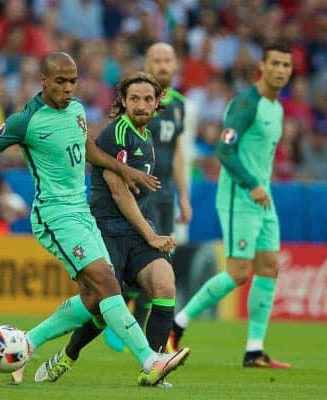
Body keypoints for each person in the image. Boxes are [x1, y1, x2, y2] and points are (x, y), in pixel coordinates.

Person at [0, 52, 189, 386]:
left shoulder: (77, 110)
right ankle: (150, 360)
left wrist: (124, 169)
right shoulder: (26, 121)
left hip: (82, 212)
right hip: (54, 216)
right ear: (43, 81)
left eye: (73, 81)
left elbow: (89, 150)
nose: (68, 88)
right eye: (60, 81)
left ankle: (27, 344)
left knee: (96, 301)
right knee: (108, 286)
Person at [34, 72, 179, 387]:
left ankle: (153, 366)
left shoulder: (148, 136)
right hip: (106, 229)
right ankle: (68, 356)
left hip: (135, 228)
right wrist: (151, 235)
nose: (141, 105)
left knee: (165, 286)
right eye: (135, 99)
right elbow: (118, 191)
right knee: (102, 304)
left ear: (157, 103)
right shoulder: (116, 134)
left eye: (148, 99)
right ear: (123, 102)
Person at [167, 43, 294, 369]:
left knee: (269, 266)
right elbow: (224, 152)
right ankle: (177, 323)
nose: (281, 70)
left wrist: (259, 186)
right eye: (275, 63)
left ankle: (254, 350)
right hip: (241, 197)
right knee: (238, 272)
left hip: (262, 198)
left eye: (286, 65)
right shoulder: (246, 103)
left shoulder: (276, 108)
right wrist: (251, 185)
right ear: (262, 67)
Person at [119, 42, 193, 335]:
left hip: (164, 194)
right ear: (146, 66)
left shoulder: (178, 106)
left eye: (167, 60)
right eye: (156, 60)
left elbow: (176, 152)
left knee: (161, 258)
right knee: (133, 256)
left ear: (175, 66)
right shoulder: (138, 102)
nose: (162, 65)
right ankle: (126, 311)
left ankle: (137, 326)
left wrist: (184, 197)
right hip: (138, 191)